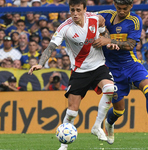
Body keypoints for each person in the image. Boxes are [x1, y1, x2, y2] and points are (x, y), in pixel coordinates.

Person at [28, 0, 118, 150]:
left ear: (85, 9)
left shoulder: (96, 18)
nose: (75, 14)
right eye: (72, 10)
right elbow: (51, 47)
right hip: (79, 70)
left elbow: (103, 31)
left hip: (98, 66)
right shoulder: (65, 27)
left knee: (110, 89)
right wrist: (41, 63)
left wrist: (106, 40)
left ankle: (97, 126)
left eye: (78, 10)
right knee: (71, 111)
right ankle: (64, 145)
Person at [93, 0, 148, 148]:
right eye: (119, 8)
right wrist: (96, 20)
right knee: (119, 110)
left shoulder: (135, 20)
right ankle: (109, 124)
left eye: (125, 8)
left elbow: (130, 45)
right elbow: (87, 18)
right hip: (111, 70)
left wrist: (108, 40)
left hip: (131, 64)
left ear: (131, 6)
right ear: (115, 5)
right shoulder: (106, 15)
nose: (121, 11)